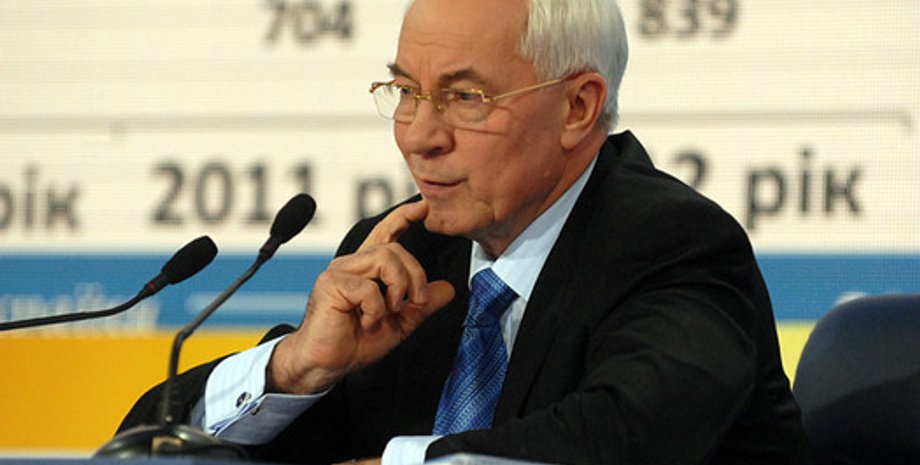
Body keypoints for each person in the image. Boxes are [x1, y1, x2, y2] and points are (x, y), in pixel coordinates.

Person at [119, 0, 811, 463]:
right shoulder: (404, 251)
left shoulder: (673, 244)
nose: (418, 136)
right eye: (406, 91)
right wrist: (299, 368)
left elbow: (626, 438)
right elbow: (143, 445)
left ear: (578, 106)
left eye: (464, 97)